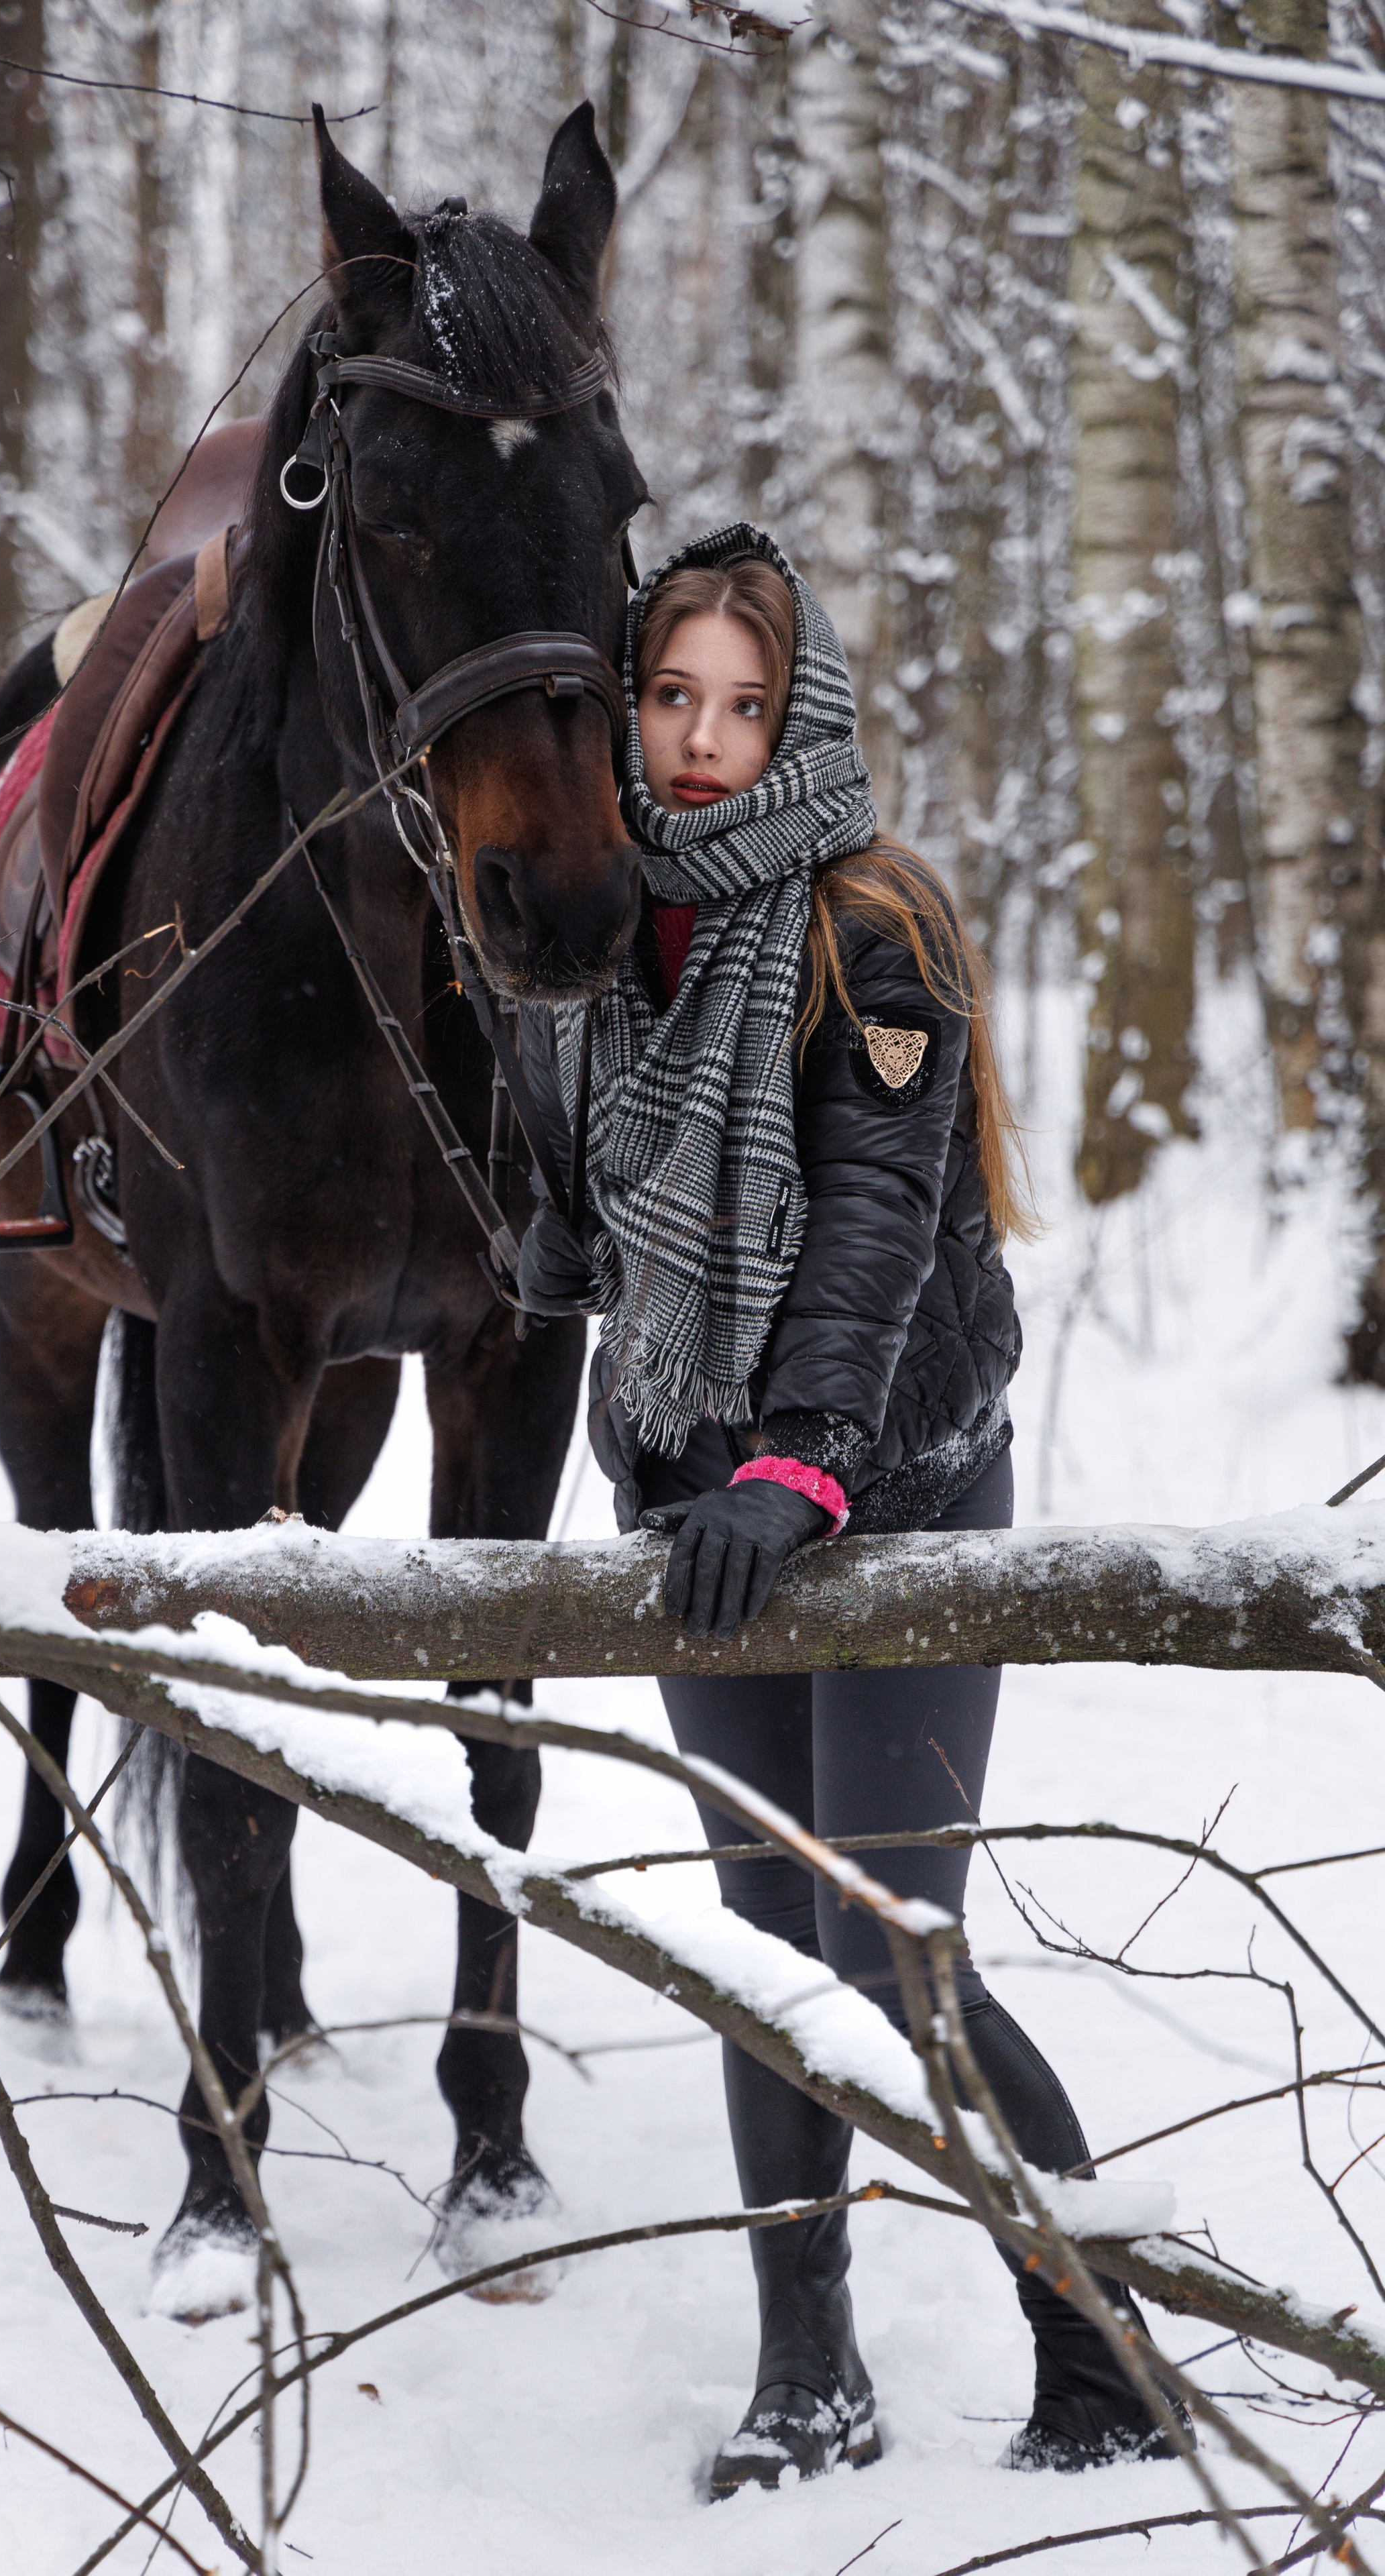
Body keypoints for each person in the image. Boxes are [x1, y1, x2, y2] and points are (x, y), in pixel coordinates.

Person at [514, 525, 1181, 2499]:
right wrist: (551, 1228)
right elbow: (592, 1198)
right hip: (700, 1497)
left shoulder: (868, 923)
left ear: (797, 719)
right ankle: (807, 2372)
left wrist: (803, 1463)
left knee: (888, 1947)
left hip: (887, 1483)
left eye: (743, 705)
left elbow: (879, 1218)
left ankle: (1104, 2349)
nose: (702, 741)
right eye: (671, 697)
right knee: (763, 1945)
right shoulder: (601, 928)